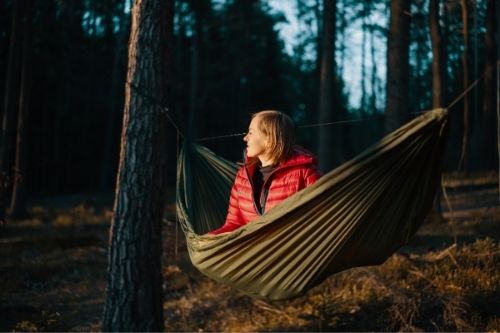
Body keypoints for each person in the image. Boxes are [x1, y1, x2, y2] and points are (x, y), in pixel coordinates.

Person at [208, 110, 321, 235]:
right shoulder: (243, 176)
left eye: (251, 133)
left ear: (269, 139)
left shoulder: (304, 173)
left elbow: (321, 216)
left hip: (292, 249)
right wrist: (210, 240)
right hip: (256, 251)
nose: (245, 138)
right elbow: (234, 224)